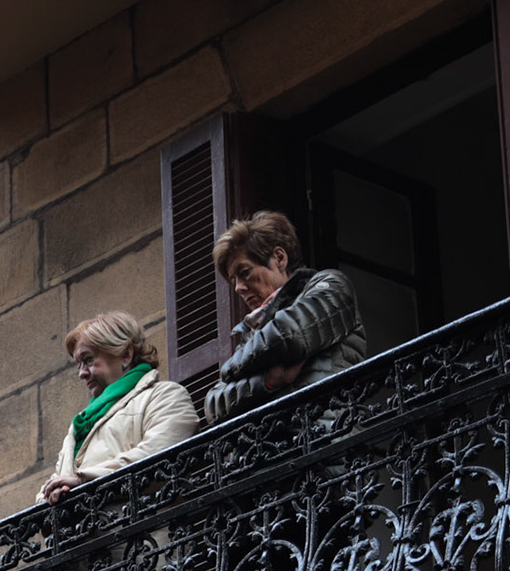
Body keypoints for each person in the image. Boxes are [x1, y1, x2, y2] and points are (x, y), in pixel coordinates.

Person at [204, 210, 366, 427]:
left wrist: (230, 369)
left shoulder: (330, 286)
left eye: (244, 272)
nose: (239, 288)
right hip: (276, 453)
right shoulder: (250, 333)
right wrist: (269, 381)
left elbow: (287, 336)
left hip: (331, 442)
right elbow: (212, 404)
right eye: (233, 280)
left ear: (279, 258)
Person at [38, 310, 198, 505]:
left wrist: (84, 479)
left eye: (88, 360)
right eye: (79, 365)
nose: (82, 373)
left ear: (125, 354)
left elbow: (162, 456)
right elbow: (52, 486)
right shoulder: (79, 426)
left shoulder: (165, 395)